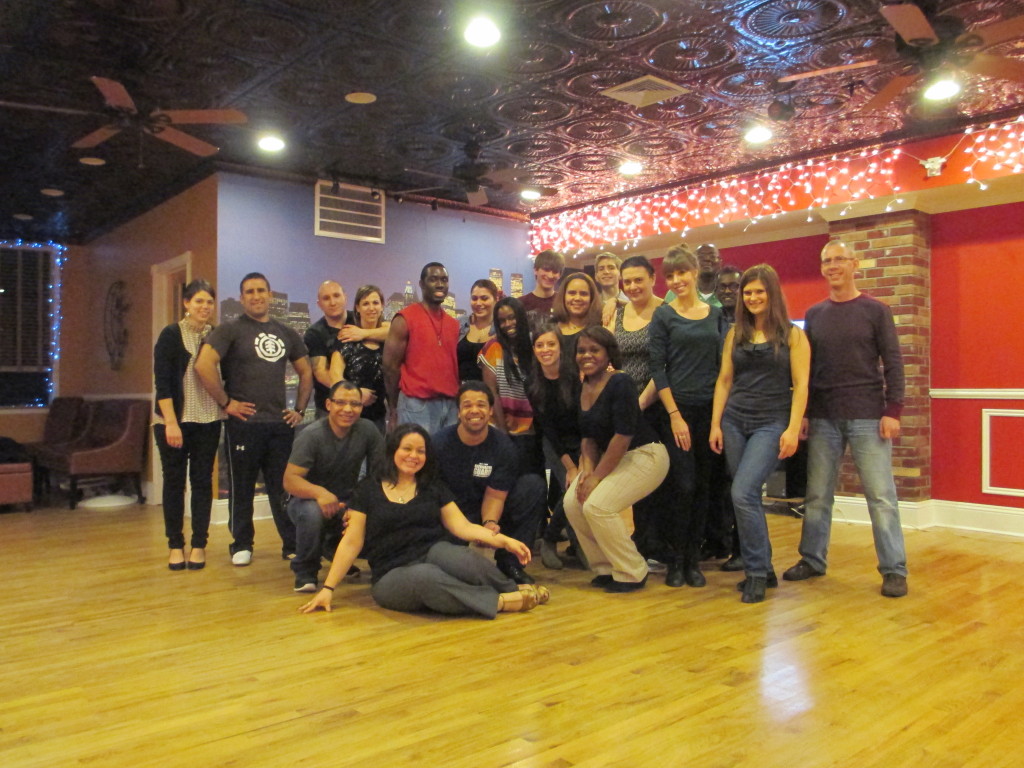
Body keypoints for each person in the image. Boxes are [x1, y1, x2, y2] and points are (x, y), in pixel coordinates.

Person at [299, 424, 548, 618]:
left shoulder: (432, 486)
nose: (413, 456)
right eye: (407, 449)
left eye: (420, 451)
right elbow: (351, 542)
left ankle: (513, 590)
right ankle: (499, 602)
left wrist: (504, 541)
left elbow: (463, 527)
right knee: (426, 576)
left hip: (431, 552)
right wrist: (328, 589)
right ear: (392, 451)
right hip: (391, 573)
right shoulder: (368, 490)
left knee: (462, 557)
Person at [783, 240, 909, 598]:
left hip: (868, 417)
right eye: (827, 261)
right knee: (817, 495)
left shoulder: (876, 311)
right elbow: (807, 371)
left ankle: (894, 569)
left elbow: (894, 362)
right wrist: (805, 413)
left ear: (855, 264)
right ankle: (812, 559)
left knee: (881, 497)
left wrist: (893, 410)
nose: (833, 266)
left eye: (840, 259)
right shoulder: (815, 315)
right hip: (823, 418)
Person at [195, 272, 313, 566]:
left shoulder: (286, 332)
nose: (256, 296)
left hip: (279, 425)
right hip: (244, 425)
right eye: (250, 291)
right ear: (241, 298)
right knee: (242, 486)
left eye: (261, 290)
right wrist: (226, 403)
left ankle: (291, 543)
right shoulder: (230, 330)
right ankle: (241, 544)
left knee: (283, 487)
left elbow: (306, 371)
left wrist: (299, 409)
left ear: (270, 295)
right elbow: (203, 365)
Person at [710, 265, 810, 603]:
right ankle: (764, 568)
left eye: (759, 292)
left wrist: (793, 429)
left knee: (742, 492)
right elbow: (724, 381)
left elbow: (801, 386)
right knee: (747, 496)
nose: (753, 298)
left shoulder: (793, 336)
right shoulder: (735, 334)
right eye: (748, 292)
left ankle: (754, 572)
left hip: (771, 423)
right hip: (734, 421)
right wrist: (715, 424)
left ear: (772, 294)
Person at [564, 326, 669, 592]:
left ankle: (633, 571)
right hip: (612, 458)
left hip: (645, 455)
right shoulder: (583, 386)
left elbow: (623, 436)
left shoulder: (621, 382)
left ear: (609, 353)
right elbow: (588, 437)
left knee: (597, 506)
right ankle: (606, 567)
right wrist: (587, 473)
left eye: (594, 350)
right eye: (581, 350)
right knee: (573, 503)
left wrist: (597, 478)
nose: (587, 355)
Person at [649, 246, 729, 587]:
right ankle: (675, 560)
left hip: (709, 412)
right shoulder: (663, 316)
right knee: (682, 486)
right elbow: (658, 368)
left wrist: (716, 422)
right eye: (670, 275)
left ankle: (693, 560)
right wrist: (674, 415)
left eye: (682, 272)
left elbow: (724, 370)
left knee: (704, 487)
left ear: (695, 272)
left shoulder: (716, 316)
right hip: (676, 412)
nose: (676, 280)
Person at [432, 382, 547, 585]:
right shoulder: (438, 444)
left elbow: (495, 495)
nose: (474, 410)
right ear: (458, 412)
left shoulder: (504, 447)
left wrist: (489, 524)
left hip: (485, 506)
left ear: (491, 410)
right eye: (467, 405)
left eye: (481, 405)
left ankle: (510, 564)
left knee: (532, 485)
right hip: (451, 512)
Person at [604, 255, 673, 580]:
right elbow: (607, 357)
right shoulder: (616, 313)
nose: (632, 286)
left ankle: (660, 545)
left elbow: (664, 364)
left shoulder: (665, 312)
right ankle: (642, 543)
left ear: (652, 278)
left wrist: (640, 403)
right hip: (625, 409)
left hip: (656, 406)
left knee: (660, 481)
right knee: (635, 480)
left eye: (638, 280)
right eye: (627, 281)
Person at [283, 379, 384, 591]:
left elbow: (379, 474)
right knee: (312, 513)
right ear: (328, 405)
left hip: (347, 499)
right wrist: (320, 493)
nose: (348, 409)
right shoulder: (311, 435)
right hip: (307, 500)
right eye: (341, 402)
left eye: (355, 404)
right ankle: (305, 571)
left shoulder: (367, 430)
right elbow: (290, 480)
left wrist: (360, 504)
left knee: (380, 509)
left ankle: (346, 555)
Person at [152, 278, 224, 571]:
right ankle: (174, 545)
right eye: (199, 301)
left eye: (209, 302)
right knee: (174, 482)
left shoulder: (216, 335)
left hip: (208, 419)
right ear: (186, 303)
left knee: (202, 482)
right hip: (174, 420)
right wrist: (171, 423)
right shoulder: (171, 334)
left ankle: (198, 545)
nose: (205, 307)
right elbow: (163, 383)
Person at [527, 322, 582, 570]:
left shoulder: (576, 376)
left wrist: (584, 458)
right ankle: (550, 539)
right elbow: (548, 429)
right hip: (555, 444)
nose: (545, 350)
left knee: (577, 490)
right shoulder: (532, 383)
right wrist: (570, 466)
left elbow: (586, 420)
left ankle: (579, 543)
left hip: (584, 440)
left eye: (551, 344)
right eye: (539, 345)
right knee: (572, 489)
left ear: (561, 347)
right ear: (534, 350)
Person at [383, 262, 460, 434]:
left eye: (444, 280)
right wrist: (393, 407)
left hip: (450, 404)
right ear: (422, 284)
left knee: (446, 451)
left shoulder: (454, 324)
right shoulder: (404, 319)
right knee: (418, 451)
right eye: (433, 279)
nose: (440, 284)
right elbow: (389, 368)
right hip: (416, 404)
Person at [305, 280, 387, 418]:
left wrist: (363, 333)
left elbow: (390, 331)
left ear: (345, 297)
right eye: (326, 298)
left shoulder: (360, 317)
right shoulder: (315, 333)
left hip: (372, 409)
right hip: (330, 407)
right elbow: (321, 372)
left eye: (336, 295)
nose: (332, 302)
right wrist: (354, 393)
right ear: (319, 304)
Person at [478, 297, 541, 473]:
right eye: (502, 321)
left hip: (532, 431)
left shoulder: (534, 344)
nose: (508, 324)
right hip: (502, 429)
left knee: (532, 481)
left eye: (512, 318)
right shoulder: (492, 347)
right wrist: (503, 433)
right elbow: (492, 392)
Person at [330, 284, 389, 432]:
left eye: (375, 303)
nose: (371, 308)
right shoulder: (346, 337)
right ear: (357, 308)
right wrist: (356, 394)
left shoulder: (388, 339)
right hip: (349, 417)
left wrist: (363, 333)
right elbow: (335, 378)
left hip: (378, 419)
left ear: (382, 306)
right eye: (365, 303)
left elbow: (395, 329)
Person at [553, 271, 602, 363]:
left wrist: (615, 301)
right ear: (563, 296)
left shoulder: (600, 328)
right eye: (572, 293)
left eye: (583, 294)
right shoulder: (551, 326)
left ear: (591, 298)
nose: (577, 298)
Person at [457, 279, 498, 382]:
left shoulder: (501, 328)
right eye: (474, 298)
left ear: (496, 299)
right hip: (461, 389)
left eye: (484, 298)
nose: (478, 303)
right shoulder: (459, 324)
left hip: (491, 390)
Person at [518, 249, 564, 318]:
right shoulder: (520, 303)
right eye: (546, 270)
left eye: (555, 271)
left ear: (560, 275)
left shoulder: (564, 302)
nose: (550, 276)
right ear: (535, 270)